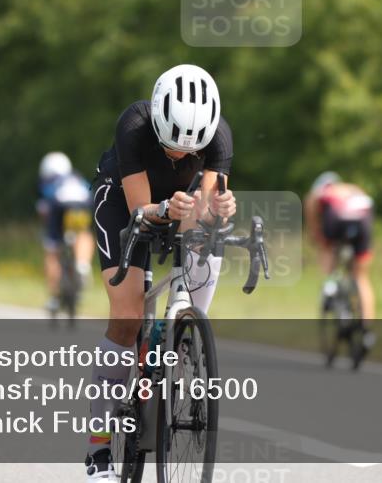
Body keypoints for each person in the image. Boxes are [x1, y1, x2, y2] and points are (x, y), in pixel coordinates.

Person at [83, 64, 237, 482]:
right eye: (171, 147)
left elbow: (206, 204)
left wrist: (219, 208)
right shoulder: (133, 125)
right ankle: (98, 449)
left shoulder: (219, 134)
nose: (180, 157)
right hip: (122, 204)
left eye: (190, 151)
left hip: (179, 205)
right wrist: (165, 209)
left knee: (209, 234)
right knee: (127, 316)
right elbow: (140, 211)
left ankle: (180, 337)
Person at [305, 171, 377, 345]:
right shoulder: (352, 188)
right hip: (363, 218)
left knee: (328, 248)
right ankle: (367, 331)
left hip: (337, 217)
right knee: (361, 277)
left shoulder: (320, 192)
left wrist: (319, 239)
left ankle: (330, 284)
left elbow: (312, 214)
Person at [36, 151, 96, 312]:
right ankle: (83, 265)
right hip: (84, 202)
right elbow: (90, 192)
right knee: (84, 233)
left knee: (52, 251)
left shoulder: (49, 181)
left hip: (59, 204)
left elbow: (44, 207)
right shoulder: (77, 177)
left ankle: (54, 296)